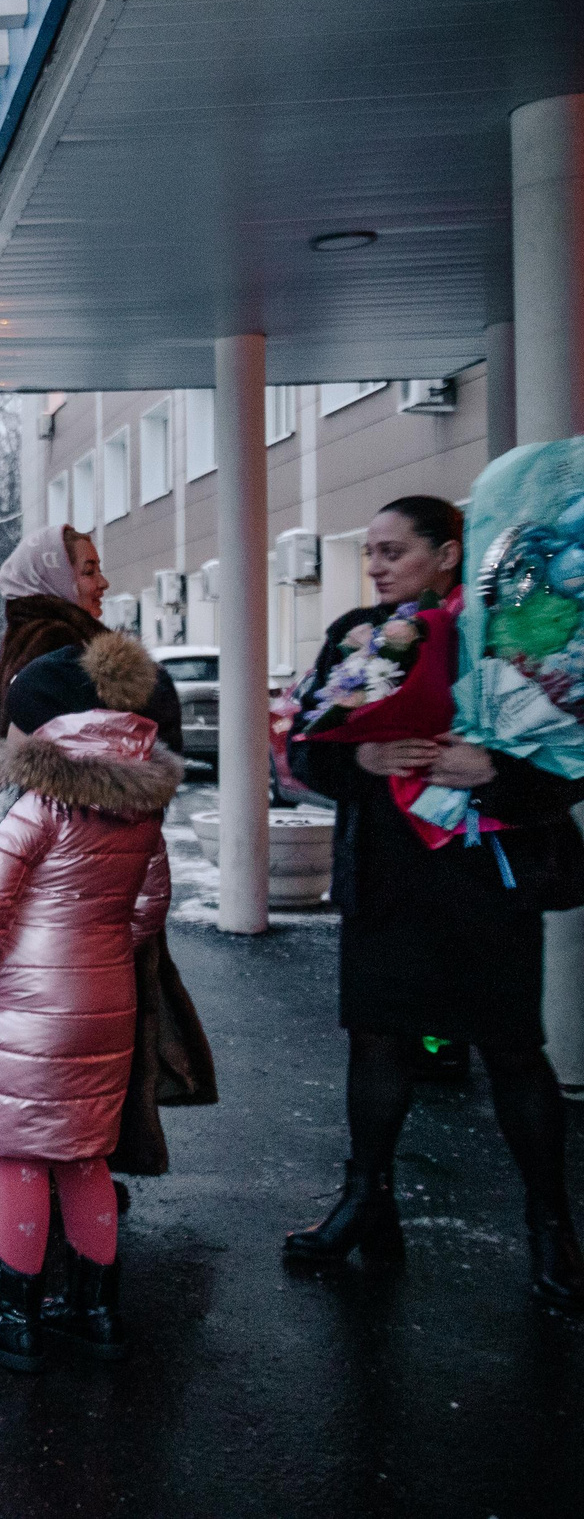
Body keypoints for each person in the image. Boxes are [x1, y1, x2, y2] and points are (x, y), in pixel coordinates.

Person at [282, 496, 584, 1306]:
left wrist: (495, 771)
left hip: (484, 879)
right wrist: (366, 755)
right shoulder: (358, 632)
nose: (375, 565)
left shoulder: (514, 631)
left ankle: (552, 1228)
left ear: (449, 553)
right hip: (388, 878)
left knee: (514, 1051)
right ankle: (365, 1203)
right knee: (376, 1041)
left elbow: (568, 750)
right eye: (371, 551)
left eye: (393, 550)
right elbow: (308, 748)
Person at [0, 635, 181, 1370]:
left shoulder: (29, 801)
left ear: (43, 723)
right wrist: (105, 947)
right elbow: (150, 904)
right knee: (83, 1155)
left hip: (21, 1001)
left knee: (18, 1155)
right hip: (102, 993)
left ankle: (13, 1314)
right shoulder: (140, 800)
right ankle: (96, 1307)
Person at [0, 523, 181, 824]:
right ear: (57, 579)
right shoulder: (56, 646)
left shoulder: (30, 635)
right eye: (88, 571)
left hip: (22, 831)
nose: (103, 583)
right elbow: (76, 761)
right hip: (58, 839)